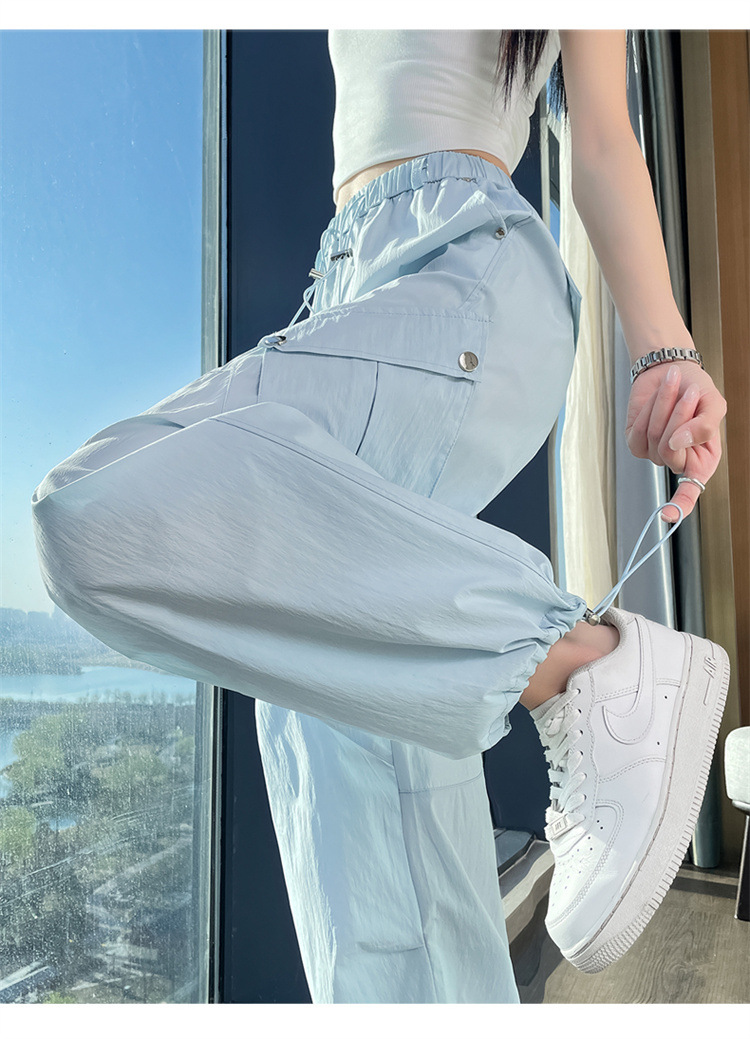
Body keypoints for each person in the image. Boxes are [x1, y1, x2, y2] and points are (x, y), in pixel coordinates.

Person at [30, 30, 730, 1003]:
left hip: (461, 266)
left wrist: (667, 354)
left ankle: (583, 667)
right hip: (349, 284)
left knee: (93, 515)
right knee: (347, 753)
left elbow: (603, 137)